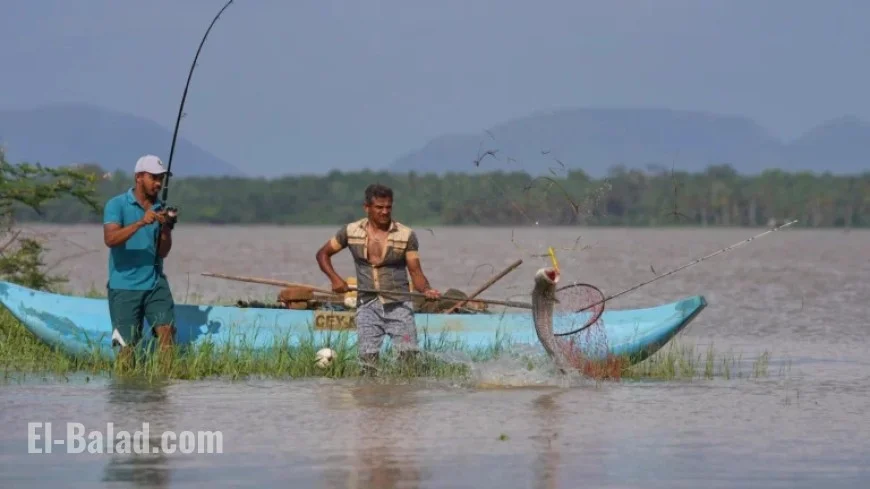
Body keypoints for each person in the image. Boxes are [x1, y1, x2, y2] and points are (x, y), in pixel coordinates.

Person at [315, 183, 440, 372]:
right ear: (367, 208)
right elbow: (322, 254)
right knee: (368, 362)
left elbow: (415, 272)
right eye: (379, 207)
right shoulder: (350, 231)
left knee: (409, 361)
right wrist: (335, 279)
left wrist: (426, 290)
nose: (384, 212)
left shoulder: (406, 235)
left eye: (388, 207)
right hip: (367, 305)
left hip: (398, 304)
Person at [102, 154, 178, 368]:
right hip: (124, 285)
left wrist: (167, 228)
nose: (158, 183)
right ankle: (127, 392)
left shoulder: (160, 207)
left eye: (161, 178)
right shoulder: (116, 205)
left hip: (155, 282)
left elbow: (162, 253)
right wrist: (140, 223)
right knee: (126, 349)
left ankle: (164, 387)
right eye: (153, 177)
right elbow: (110, 239)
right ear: (138, 177)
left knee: (167, 332)